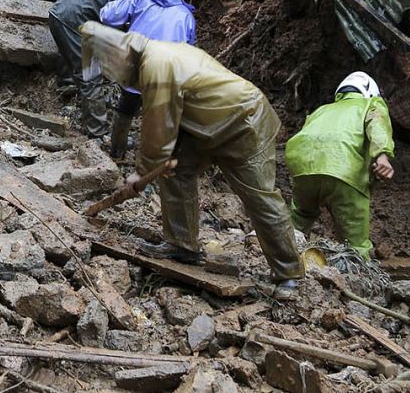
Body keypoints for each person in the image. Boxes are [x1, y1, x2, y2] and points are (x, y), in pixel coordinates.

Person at [80, 22, 305, 294]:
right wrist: (152, 167)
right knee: (175, 170)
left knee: (259, 197)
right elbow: (168, 123)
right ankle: (181, 244)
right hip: (207, 123)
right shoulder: (158, 55)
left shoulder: (158, 65)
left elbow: (159, 125)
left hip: (244, 122)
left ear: (119, 56)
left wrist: (141, 172)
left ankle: (288, 272)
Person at [285, 71, 395, 260]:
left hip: (303, 171)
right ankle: (360, 276)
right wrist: (382, 156)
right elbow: (377, 125)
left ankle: (283, 260)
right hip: (344, 171)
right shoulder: (371, 104)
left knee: (299, 219)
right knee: (355, 241)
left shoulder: (321, 110)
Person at [48, 0, 164, 134]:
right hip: (74, 22)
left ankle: (67, 87)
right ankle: (98, 132)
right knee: (91, 75)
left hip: (59, 11)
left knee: (74, 53)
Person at [97, 0, 194, 158]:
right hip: (164, 74)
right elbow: (189, 51)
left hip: (134, 68)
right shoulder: (186, 17)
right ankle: (153, 162)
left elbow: (107, 15)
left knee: (126, 108)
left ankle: (117, 152)